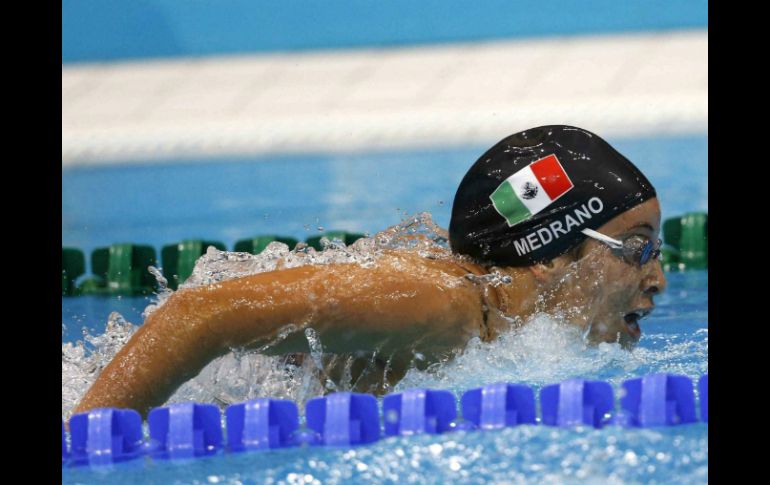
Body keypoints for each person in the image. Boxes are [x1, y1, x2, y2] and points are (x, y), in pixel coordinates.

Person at [72, 125, 666, 417]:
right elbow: (200, 312)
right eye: (637, 248)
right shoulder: (441, 305)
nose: (658, 278)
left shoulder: (505, 325)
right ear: (546, 255)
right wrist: (90, 446)